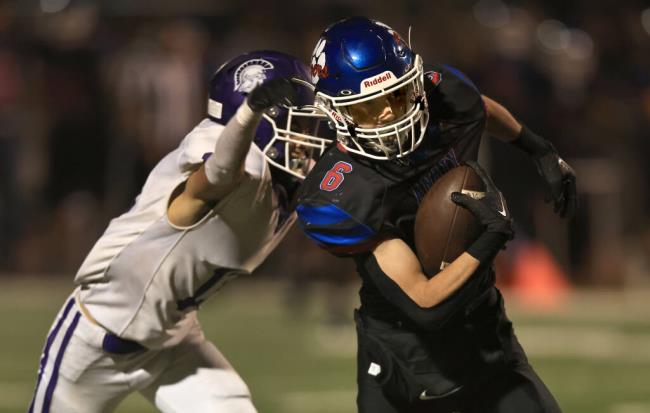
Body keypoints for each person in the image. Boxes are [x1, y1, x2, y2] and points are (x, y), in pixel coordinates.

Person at [296, 17, 576, 412]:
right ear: (338, 113)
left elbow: (478, 106)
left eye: (398, 94)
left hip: (485, 339)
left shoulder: (444, 97)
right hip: (404, 366)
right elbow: (424, 306)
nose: (392, 114)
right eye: (372, 106)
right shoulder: (344, 192)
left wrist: (537, 148)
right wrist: (489, 238)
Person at [28, 50, 330, 413]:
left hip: (173, 340)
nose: (305, 139)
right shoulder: (232, 163)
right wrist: (248, 116)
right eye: (296, 126)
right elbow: (217, 176)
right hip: (96, 339)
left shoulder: (283, 180)